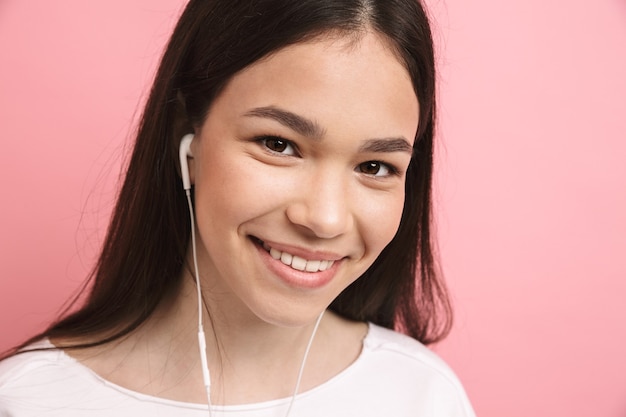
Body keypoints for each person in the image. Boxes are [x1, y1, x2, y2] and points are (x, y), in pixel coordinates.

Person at [0, 0, 476, 416]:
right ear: (186, 136)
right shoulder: (25, 400)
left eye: (375, 166)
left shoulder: (422, 396)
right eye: (278, 143)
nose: (325, 218)